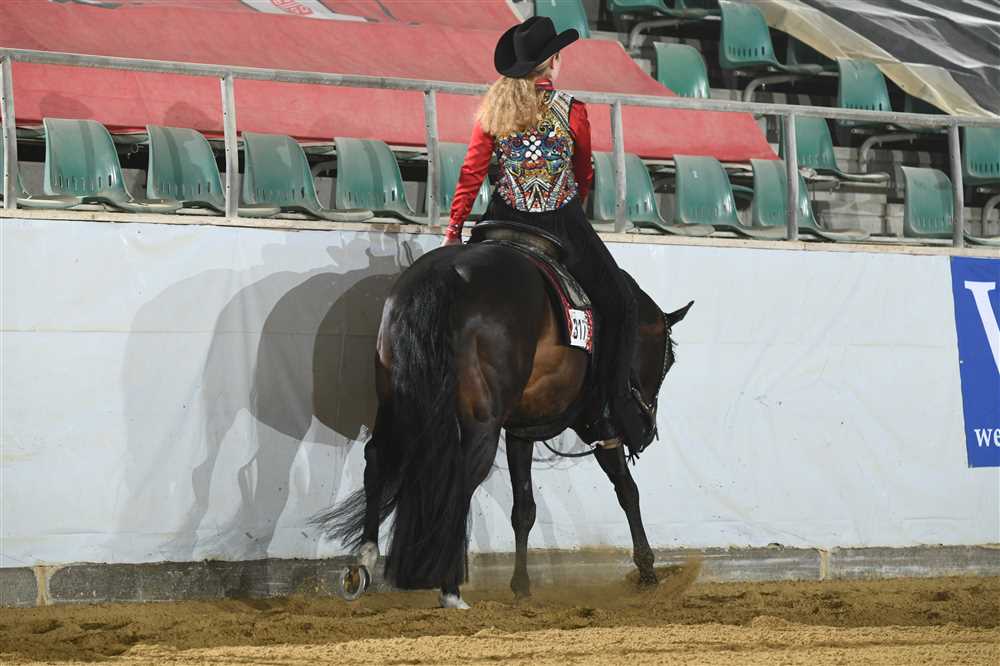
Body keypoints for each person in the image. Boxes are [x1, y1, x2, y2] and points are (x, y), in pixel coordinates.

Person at [443, 16, 653, 454]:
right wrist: (571, 203)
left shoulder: (494, 110)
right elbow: (583, 171)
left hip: (502, 219)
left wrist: (454, 230)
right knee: (621, 303)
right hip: (560, 221)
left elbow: (471, 173)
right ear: (553, 60)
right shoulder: (571, 109)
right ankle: (612, 410)